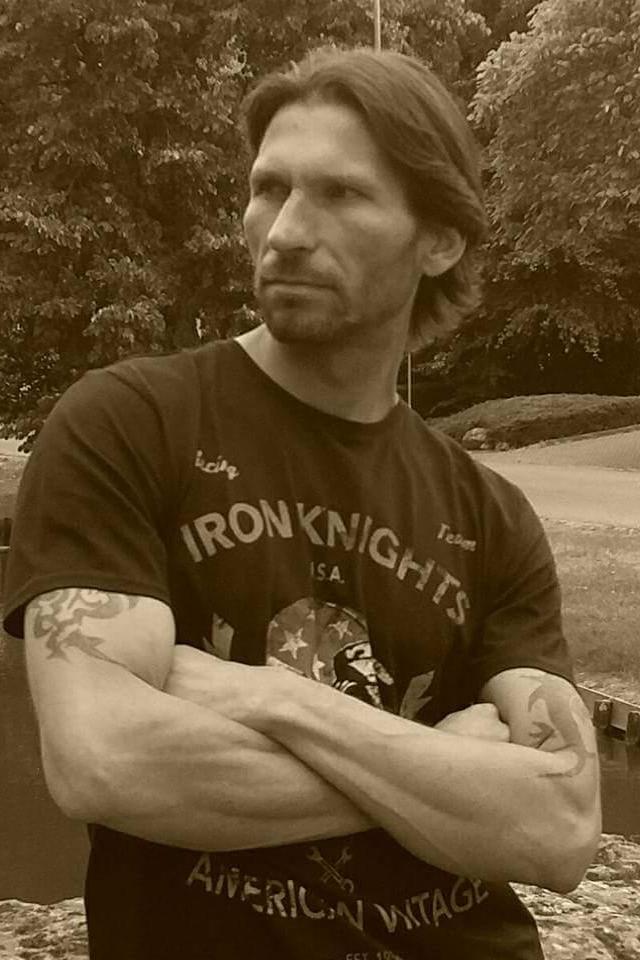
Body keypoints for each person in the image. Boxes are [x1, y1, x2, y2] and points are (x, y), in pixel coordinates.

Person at [3, 47, 600, 960]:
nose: (283, 230)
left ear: (439, 240)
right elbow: (105, 761)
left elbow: (559, 829)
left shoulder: (490, 513)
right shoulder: (127, 424)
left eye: (342, 194)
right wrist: (452, 769)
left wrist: (272, 699)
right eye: (268, 188)